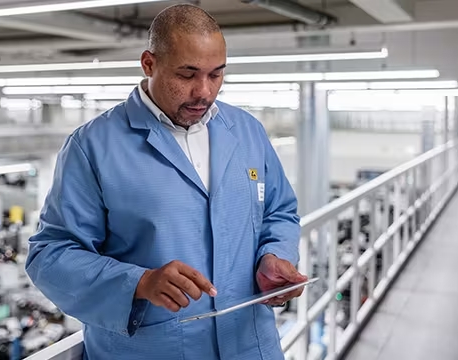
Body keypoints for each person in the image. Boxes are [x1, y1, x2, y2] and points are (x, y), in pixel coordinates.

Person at [25, 4, 307, 360]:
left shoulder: (247, 131)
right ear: (149, 64)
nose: (204, 92)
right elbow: (50, 255)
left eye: (216, 74)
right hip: (151, 349)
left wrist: (274, 254)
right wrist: (138, 283)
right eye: (187, 75)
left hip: (249, 344)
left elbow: (280, 212)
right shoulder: (93, 147)